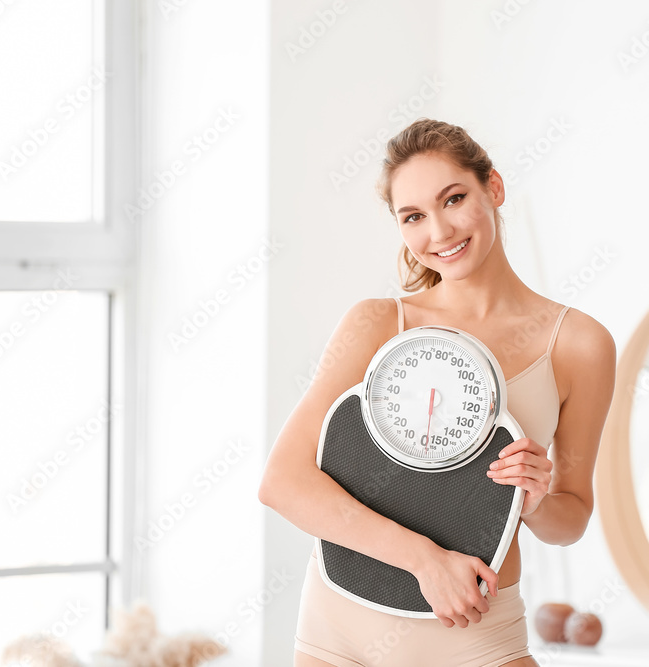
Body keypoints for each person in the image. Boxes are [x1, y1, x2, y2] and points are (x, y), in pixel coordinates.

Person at [258, 118, 617, 667]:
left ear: (492, 189)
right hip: (344, 626)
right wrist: (427, 563)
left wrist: (538, 500)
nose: (440, 232)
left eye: (454, 199)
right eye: (414, 217)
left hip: (477, 629)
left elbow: (571, 521)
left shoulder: (578, 343)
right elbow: (283, 481)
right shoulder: (377, 325)